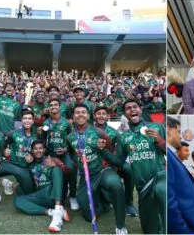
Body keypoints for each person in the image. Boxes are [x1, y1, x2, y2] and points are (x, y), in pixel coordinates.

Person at [66, 104, 128, 234]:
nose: (80, 115)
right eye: (77, 112)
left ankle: (120, 226)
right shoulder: (70, 137)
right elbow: (72, 154)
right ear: (73, 116)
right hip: (86, 176)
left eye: (84, 112)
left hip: (102, 170)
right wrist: (78, 163)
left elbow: (111, 153)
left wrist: (103, 150)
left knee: (115, 184)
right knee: (89, 216)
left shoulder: (99, 133)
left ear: (88, 116)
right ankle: (104, 203)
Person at [116, 99, 166, 233]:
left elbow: (171, 151)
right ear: (125, 114)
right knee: (149, 230)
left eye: (135, 107)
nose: (132, 110)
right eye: (128, 108)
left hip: (160, 179)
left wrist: (159, 140)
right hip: (142, 187)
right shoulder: (124, 137)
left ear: (141, 109)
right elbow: (118, 161)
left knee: (166, 215)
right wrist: (103, 151)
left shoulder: (157, 127)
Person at [13, 140, 70, 232]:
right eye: (35, 149)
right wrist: (27, 164)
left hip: (55, 192)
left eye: (40, 148)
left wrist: (56, 165)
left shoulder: (52, 159)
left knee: (56, 170)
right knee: (18, 201)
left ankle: (58, 209)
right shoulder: (30, 164)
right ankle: (52, 212)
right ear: (32, 151)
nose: (38, 151)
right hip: (41, 195)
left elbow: (68, 173)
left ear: (44, 150)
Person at [93, 106, 137, 217]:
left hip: (111, 162)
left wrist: (116, 162)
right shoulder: (89, 130)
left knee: (128, 169)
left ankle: (128, 203)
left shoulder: (114, 133)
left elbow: (119, 150)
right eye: (98, 113)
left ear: (108, 116)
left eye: (104, 114)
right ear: (94, 116)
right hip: (94, 163)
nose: (101, 116)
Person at [39, 98, 78, 211]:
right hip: (51, 154)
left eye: (55, 104)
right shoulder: (46, 123)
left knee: (70, 169)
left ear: (60, 107)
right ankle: (57, 195)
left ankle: (73, 197)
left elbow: (72, 139)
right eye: (51, 105)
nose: (53, 106)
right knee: (52, 173)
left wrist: (66, 149)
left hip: (65, 153)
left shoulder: (66, 122)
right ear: (49, 108)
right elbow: (43, 139)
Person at [167, 117, 194, 234]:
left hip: (190, 219)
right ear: (168, 129)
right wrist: (183, 230)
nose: (180, 136)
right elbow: (169, 200)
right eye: (178, 131)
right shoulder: (168, 156)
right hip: (183, 226)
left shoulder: (172, 156)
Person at [0, 109, 38, 196]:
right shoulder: (13, 133)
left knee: (29, 193)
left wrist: (33, 158)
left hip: (25, 167)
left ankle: (10, 184)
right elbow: (2, 147)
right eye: (25, 118)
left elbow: (39, 153)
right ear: (21, 120)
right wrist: (4, 152)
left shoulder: (36, 136)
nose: (27, 121)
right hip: (11, 164)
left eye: (29, 118)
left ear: (33, 121)